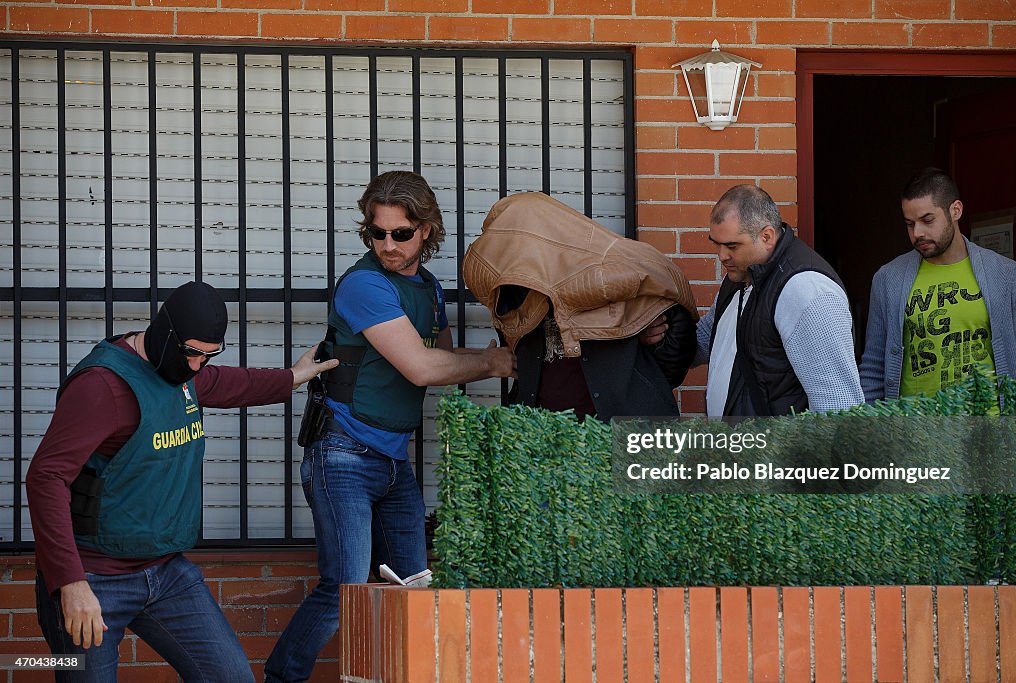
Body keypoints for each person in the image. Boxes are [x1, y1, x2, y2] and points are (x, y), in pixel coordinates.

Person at [264, 171, 516, 682]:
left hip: (393, 461)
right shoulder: (363, 284)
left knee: (414, 588)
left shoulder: (427, 288)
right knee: (345, 589)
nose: (388, 245)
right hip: (342, 454)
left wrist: (500, 356)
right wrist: (492, 365)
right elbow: (423, 369)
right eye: (377, 233)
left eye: (400, 233)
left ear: (426, 230)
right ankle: (279, 678)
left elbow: (442, 358)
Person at [26, 280, 338, 682]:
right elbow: (46, 477)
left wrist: (292, 377)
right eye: (190, 352)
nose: (195, 365)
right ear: (164, 330)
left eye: (207, 357)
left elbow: (229, 383)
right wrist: (69, 582)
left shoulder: (187, 374)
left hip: (166, 573)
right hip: (94, 577)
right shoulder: (101, 386)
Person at [463, 191, 699, 421]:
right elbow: (516, 356)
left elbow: (677, 338)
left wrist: (633, 342)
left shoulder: (611, 270)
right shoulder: (514, 291)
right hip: (544, 438)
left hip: (618, 430)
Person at [693, 184, 864, 417]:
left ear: (767, 236)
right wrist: (657, 342)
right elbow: (708, 339)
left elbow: (838, 406)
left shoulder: (808, 292)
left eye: (732, 246)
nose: (722, 256)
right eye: (717, 244)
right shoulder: (740, 275)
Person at [860, 167, 1016, 401]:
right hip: (914, 430)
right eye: (909, 223)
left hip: (987, 431)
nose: (918, 233)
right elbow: (874, 366)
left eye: (927, 220)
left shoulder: (1005, 274)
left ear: (955, 210)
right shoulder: (888, 279)